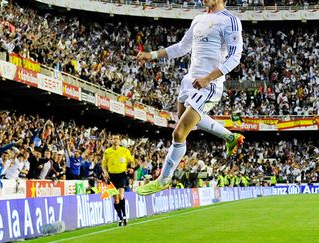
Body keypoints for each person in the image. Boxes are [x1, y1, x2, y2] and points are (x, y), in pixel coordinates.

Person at [136, 0, 245, 195]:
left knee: (178, 133)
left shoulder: (230, 21)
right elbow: (181, 47)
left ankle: (163, 180)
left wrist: (208, 78)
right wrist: (151, 55)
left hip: (208, 84)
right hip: (189, 82)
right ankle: (230, 137)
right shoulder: (199, 18)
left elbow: (235, 57)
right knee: (184, 129)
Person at [102, 134, 135, 227]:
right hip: (111, 177)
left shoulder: (124, 150)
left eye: (117, 138)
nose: (115, 140)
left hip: (122, 175)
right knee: (115, 200)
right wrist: (105, 172)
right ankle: (120, 217)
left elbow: (132, 161)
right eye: (113, 138)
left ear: (119, 141)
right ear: (111, 140)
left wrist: (131, 168)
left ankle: (124, 215)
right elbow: (103, 165)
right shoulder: (107, 152)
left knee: (120, 196)